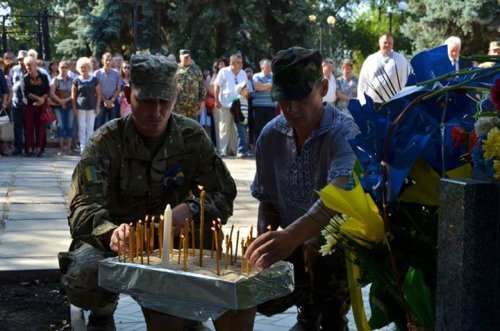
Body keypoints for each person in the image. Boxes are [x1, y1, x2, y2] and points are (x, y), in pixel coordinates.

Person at [60, 54, 255, 331]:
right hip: (119, 245)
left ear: (176, 95)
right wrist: (110, 232)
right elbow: (82, 207)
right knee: (84, 276)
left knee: (211, 245)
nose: (156, 112)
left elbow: (223, 192)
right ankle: (102, 311)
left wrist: (192, 209)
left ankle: (188, 314)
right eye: (147, 102)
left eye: (165, 102)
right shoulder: (105, 141)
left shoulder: (192, 137)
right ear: (128, 95)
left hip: (175, 243)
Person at [246, 46, 359, 330]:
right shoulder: (271, 135)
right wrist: (267, 243)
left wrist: (290, 238)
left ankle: (333, 320)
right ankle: (307, 312)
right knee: (257, 293)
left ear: (323, 88)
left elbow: (339, 195)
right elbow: (267, 199)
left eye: (301, 98)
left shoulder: (343, 132)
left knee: (319, 247)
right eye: (284, 100)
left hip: (340, 249)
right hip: (293, 244)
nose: (292, 110)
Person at [357, 32, 410, 106]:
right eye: (385, 42)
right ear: (379, 43)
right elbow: (362, 83)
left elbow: (405, 80)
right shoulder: (370, 60)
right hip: (373, 103)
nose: (387, 45)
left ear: (392, 44)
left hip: (394, 103)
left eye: (390, 43)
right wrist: (362, 102)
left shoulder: (400, 60)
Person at [214, 54, 251, 157]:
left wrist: (245, 100)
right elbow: (217, 85)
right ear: (232, 63)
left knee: (236, 129)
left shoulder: (243, 73)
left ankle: (233, 150)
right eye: (239, 62)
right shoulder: (223, 71)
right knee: (224, 127)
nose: (241, 64)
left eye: (241, 62)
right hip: (225, 103)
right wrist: (216, 100)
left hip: (239, 105)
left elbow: (245, 88)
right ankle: (222, 151)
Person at [72, 57, 101, 154]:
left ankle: (89, 147)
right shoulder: (76, 80)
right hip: (80, 107)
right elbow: (73, 96)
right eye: (81, 67)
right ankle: (82, 147)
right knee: (81, 127)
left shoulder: (94, 79)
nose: (83, 69)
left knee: (90, 127)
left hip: (92, 107)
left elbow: (99, 94)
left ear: (89, 67)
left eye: (85, 67)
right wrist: (74, 108)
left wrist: (97, 107)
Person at [22, 55, 50, 157]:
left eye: (30, 64)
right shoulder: (24, 78)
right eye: (26, 65)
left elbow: (47, 90)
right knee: (28, 127)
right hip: (29, 106)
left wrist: (42, 99)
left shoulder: (43, 77)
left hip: (41, 106)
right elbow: (26, 92)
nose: (28, 67)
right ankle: (29, 148)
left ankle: (39, 148)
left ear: (35, 65)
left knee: (40, 127)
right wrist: (38, 99)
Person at [50, 60, 74, 155]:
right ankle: (61, 149)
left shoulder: (72, 80)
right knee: (61, 126)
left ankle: (69, 148)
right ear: (58, 68)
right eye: (62, 67)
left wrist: (65, 100)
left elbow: (74, 93)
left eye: (65, 67)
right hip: (58, 106)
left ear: (68, 69)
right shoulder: (55, 80)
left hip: (70, 105)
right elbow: (52, 93)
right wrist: (60, 101)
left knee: (69, 126)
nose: (63, 69)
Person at [174, 49, 206, 120]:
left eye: (188, 57)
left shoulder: (196, 69)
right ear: (180, 57)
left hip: (192, 106)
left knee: (191, 128)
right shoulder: (175, 69)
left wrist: (202, 102)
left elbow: (202, 86)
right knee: (178, 126)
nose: (187, 58)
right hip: (178, 105)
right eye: (185, 57)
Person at [94, 52, 122, 129]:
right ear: (102, 60)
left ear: (112, 61)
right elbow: (96, 89)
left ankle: (113, 140)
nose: (108, 62)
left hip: (113, 100)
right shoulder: (97, 73)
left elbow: (118, 88)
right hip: (100, 101)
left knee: (113, 125)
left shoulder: (116, 73)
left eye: (110, 60)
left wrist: (112, 100)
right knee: (98, 124)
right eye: (106, 60)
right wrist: (105, 101)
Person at [252, 59, 275, 144]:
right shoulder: (256, 76)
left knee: (270, 128)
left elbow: (275, 88)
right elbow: (258, 87)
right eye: (268, 66)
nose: (270, 68)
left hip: (271, 106)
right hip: (259, 106)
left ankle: (269, 146)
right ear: (262, 67)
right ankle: (258, 146)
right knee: (258, 127)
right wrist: (270, 86)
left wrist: (263, 86)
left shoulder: (274, 76)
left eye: (270, 66)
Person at [9, 50, 28, 155]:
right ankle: (18, 147)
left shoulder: (31, 69)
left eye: (23, 59)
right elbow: (11, 84)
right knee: (17, 126)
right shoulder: (14, 69)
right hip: (16, 101)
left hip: (28, 102)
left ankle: (28, 147)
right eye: (20, 59)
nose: (21, 61)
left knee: (28, 126)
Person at [231, 81, 250, 158]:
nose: (247, 90)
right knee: (241, 136)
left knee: (245, 136)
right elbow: (233, 109)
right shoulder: (237, 100)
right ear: (240, 91)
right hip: (240, 122)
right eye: (245, 89)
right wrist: (240, 117)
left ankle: (245, 151)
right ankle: (240, 151)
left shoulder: (245, 99)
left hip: (245, 122)